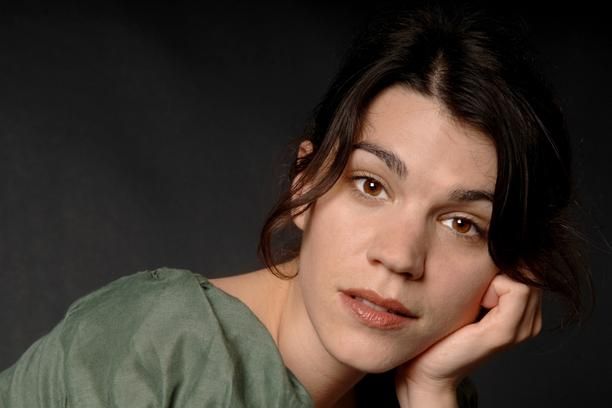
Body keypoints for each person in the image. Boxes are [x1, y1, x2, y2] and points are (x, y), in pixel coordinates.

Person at [0, 5, 586, 408]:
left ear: (511, 268)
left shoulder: (421, 389)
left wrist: (431, 391)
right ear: (306, 182)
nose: (401, 256)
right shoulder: (160, 345)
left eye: (462, 223)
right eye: (371, 185)